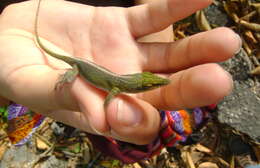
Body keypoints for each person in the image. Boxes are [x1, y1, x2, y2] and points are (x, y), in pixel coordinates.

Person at [0, 0, 240, 145]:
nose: (150, 85)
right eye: (147, 86)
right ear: (136, 86)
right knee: (70, 81)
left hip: (91, 39)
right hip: (77, 62)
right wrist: (106, 105)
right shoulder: (117, 87)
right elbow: (111, 95)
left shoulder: (124, 84)